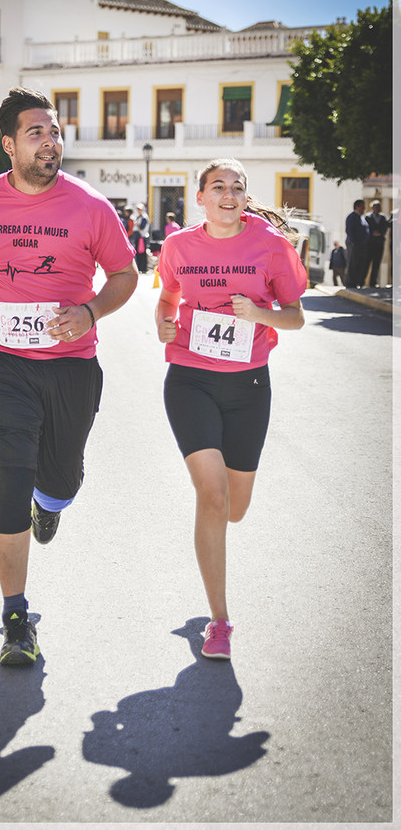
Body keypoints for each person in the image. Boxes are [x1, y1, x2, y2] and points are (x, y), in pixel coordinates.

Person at [0, 87, 137, 666]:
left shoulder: (91, 206)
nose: (50, 140)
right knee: (9, 480)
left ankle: (54, 500)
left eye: (55, 131)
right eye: (37, 132)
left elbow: (124, 274)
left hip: (70, 366)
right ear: (9, 144)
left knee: (59, 482)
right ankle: (15, 619)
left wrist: (90, 311)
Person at [156, 157, 306, 660]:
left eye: (237, 187)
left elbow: (296, 318)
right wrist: (164, 322)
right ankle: (219, 621)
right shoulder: (178, 246)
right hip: (190, 379)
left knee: (235, 509)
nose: (228, 193)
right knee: (213, 495)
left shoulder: (271, 247)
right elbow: (168, 298)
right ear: (200, 197)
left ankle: (217, 516)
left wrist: (258, 312)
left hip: (249, 386)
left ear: (245, 197)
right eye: (217, 185)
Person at [345, 199, 369, 288]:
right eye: (362, 207)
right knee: (353, 263)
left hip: (362, 245)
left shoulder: (362, 217)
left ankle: (358, 281)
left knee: (360, 264)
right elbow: (349, 230)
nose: (364, 209)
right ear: (357, 207)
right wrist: (354, 242)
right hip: (354, 244)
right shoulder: (352, 217)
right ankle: (351, 282)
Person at [364, 200, 389, 288]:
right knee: (367, 262)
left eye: (379, 207)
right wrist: (372, 233)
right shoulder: (368, 217)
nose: (377, 209)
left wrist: (380, 233)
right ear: (372, 208)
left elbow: (385, 228)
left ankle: (373, 282)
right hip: (370, 243)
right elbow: (365, 228)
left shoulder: (383, 217)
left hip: (379, 243)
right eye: (376, 207)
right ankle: (362, 281)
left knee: (376, 263)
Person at [133, 203, 150, 273]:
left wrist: (137, 225)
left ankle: (143, 268)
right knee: (138, 253)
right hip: (138, 237)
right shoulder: (138, 217)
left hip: (142, 237)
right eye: (138, 209)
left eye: (140, 209)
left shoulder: (144, 218)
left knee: (142, 253)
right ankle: (139, 267)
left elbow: (141, 227)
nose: (138, 211)